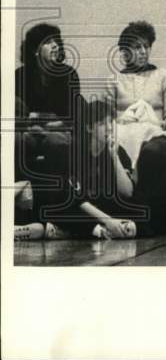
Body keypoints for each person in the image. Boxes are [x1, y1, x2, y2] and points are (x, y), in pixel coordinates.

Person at [15, 99, 140, 241]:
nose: (109, 128)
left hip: (95, 207)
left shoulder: (115, 150)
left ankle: (61, 231)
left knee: (135, 207)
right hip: (69, 204)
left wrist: (114, 156)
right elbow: (77, 199)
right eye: (102, 124)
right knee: (68, 209)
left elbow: (128, 192)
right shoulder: (74, 152)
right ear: (89, 128)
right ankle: (93, 230)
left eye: (110, 122)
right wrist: (108, 220)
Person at [103, 20, 166, 234]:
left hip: (155, 135)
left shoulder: (164, 76)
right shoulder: (114, 80)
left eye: (146, 46)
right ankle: (126, 216)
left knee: (152, 152)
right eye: (137, 47)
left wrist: (158, 123)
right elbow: (105, 117)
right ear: (126, 51)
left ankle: (150, 221)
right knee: (111, 151)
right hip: (123, 134)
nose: (143, 51)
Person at [14, 23, 81, 208]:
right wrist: (33, 123)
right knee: (16, 141)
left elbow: (72, 118)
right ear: (35, 49)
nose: (55, 46)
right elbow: (19, 116)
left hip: (58, 132)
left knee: (56, 142)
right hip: (29, 132)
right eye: (48, 42)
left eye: (56, 42)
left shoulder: (69, 74)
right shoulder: (20, 75)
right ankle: (21, 198)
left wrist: (42, 123)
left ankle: (58, 203)